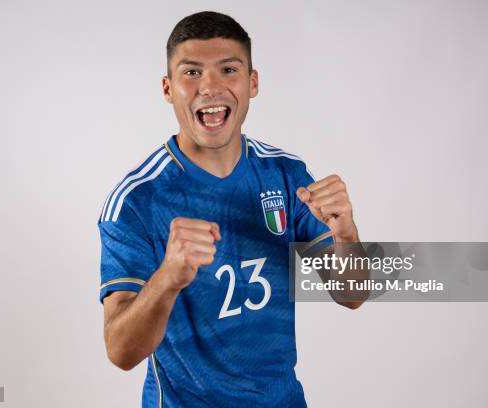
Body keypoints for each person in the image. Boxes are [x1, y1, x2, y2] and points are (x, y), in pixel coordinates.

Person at [97, 11, 365, 408]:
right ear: (168, 89)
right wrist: (169, 277)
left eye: (228, 69)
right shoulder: (137, 199)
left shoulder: (286, 175)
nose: (210, 87)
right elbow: (121, 351)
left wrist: (347, 234)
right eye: (191, 73)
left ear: (252, 82)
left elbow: (353, 294)